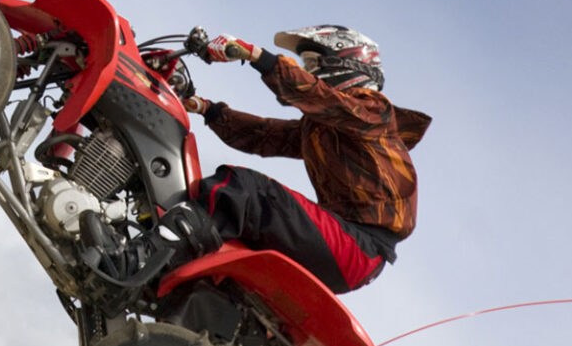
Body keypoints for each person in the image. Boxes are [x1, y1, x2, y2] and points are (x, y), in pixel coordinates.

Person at [176, 26, 431, 295]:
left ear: (345, 65)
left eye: (312, 63)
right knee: (236, 229)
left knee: (245, 190)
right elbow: (266, 135)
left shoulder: (374, 113)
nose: (308, 71)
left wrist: (256, 56)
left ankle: (163, 248)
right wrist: (206, 108)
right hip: (343, 242)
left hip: (359, 247)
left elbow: (322, 98)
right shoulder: (324, 129)